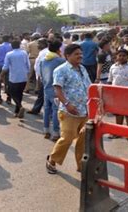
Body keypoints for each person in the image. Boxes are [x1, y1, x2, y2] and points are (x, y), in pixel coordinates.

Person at [46, 44, 91, 174]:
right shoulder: (61, 70)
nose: (80, 56)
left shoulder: (82, 69)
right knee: (67, 138)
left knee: (83, 140)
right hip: (69, 111)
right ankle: (52, 160)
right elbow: (57, 89)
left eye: (81, 54)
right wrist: (67, 104)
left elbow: (88, 86)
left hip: (84, 110)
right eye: (76, 54)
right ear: (68, 56)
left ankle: (81, 165)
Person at [107, 49, 128, 142]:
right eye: (120, 55)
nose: (121, 57)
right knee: (118, 113)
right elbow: (110, 81)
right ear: (116, 57)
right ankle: (118, 132)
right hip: (116, 95)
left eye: (124, 56)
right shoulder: (113, 67)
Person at [39, 40, 65, 141]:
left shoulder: (43, 60)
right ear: (58, 50)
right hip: (56, 89)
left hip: (46, 88)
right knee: (55, 111)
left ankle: (46, 130)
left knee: (46, 109)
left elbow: (41, 75)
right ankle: (55, 132)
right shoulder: (60, 61)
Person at [0, 40, 29, 118]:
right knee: (19, 93)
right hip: (23, 76)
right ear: (19, 45)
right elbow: (28, 64)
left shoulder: (9, 54)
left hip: (14, 77)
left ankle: (20, 106)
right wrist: (27, 73)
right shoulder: (24, 53)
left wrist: (1, 75)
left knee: (11, 92)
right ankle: (17, 110)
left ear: (11, 46)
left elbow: (5, 67)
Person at [28, 38, 48, 115]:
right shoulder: (43, 52)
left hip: (43, 77)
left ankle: (37, 110)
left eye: (39, 44)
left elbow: (41, 66)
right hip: (42, 76)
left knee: (43, 95)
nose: (38, 45)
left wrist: (39, 77)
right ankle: (36, 109)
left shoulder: (44, 53)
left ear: (43, 44)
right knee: (42, 95)